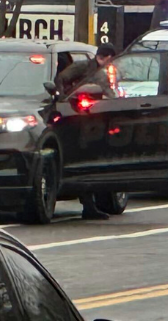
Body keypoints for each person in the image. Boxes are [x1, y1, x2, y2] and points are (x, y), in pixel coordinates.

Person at [54, 43, 117, 220]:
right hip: (79, 118)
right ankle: (88, 205)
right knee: (84, 159)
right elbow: (61, 79)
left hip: (96, 119)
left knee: (94, 161)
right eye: (111, 58)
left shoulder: (103, 72)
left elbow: (108, 93)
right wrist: (65, 99)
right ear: (106, 57)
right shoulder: (83, 67)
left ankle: (92, 205)